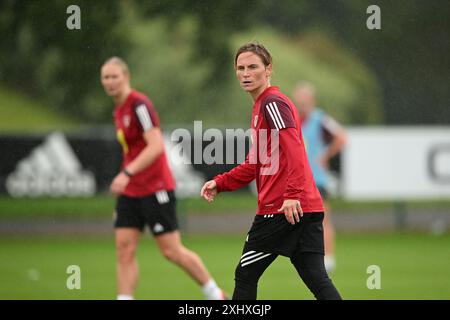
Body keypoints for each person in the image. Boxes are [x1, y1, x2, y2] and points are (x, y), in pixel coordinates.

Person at [200, 43, 342, 300]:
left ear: (268, 70)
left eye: (253, 67)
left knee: (245, 275)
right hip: (305, 208)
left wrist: (291, 195)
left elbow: (296, 151)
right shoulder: (261, 107)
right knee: (317, 280)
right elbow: (256, 163)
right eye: (240, 68)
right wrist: (220, 183)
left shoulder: (272, 103)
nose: (246, 73)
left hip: (281, 209)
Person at [101, 57, 226, 300]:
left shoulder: (139, 105)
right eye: (105, 77)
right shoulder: (118, 108)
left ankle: (214, 293)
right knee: (124, 249)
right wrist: (127, 178)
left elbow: (156, 145)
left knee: (171, 251)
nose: (110, 82)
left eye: (114, 76)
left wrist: (126, 173)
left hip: (155, 187)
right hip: (131, 192)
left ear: (126, 77)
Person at [292, 82, 347, 273]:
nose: (301, 103)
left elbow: (341, 136)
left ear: (312, 100)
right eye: (299, 99)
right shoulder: (292, 120)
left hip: (317, 179)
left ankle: (329, 258)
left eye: (305, 99)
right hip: (297, 180)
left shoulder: (320, 119)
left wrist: (325, 155)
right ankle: (304, 255)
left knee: (323, 219)